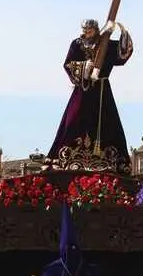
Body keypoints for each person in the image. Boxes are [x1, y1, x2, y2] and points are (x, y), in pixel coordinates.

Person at [47, 18, 134, 174]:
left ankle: (109, 160)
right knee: (73, 120)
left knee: (108, 121)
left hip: (102, 90)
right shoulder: (77, 44)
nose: (87, 33)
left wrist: (123, 32)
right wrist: (84, 68)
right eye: (85, 30)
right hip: (83, 90)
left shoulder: (105, 43)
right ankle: (68, 159)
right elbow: (68, 64)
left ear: (96, 29)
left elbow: (121, 56)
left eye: (90, 30)